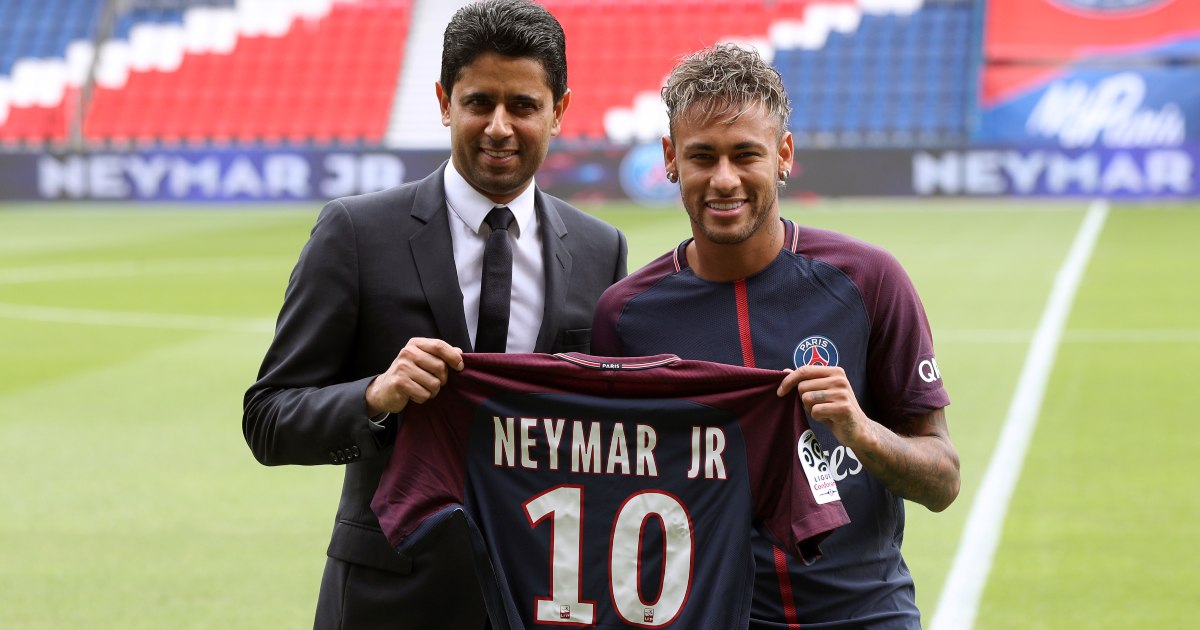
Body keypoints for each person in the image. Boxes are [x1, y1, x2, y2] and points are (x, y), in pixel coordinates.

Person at [242, 1, 627, 627]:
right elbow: (268, 419)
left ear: (559, 111)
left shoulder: (598, 249)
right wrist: (374, 396)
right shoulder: (357, 233)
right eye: (479, 102)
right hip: (390, 599)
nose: (499, 126)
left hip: (543, 598)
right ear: (445, 101)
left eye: (523, 106)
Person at [590, 44, 960, 629]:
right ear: (669, 159)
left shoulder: (868, 280)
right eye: (702, 156)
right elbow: (607, 493)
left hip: (865, 613)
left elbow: (943, 479)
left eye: (746, 155)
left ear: (783, 154)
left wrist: (860, 430)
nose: (724, 179)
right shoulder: (626, 316)